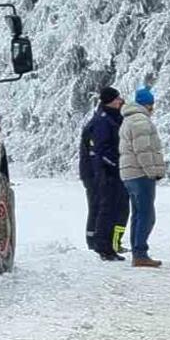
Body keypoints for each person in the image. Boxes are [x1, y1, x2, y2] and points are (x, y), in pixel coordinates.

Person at [119, 87, 166, 268]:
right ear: (148, 104)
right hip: (140, 174)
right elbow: (144, 150)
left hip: (129, 173)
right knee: (147, 214)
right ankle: (140, 253)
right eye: (152, 105)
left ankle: (138, 252)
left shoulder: (129, 119)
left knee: (138, 214)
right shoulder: (140, 121)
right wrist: (152, 171)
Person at [91, 87, 129, 261]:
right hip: (108, 173)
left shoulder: (116, 117)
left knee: (120, 209)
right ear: (110, 100)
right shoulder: (103, 120)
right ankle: (104, 247)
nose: (120, 100)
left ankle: (113, 244)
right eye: (117, 98)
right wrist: (114, 164)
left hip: (118, 171)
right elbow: (102, 148)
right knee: (108, 209)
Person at [78, 105, 98, 250]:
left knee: (96, 207)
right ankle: (92, 240)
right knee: (95, 207)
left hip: (91, 173)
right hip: (92, 174)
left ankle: (94, 238)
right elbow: (93, 153)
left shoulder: (94, 124)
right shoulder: (95, 127)